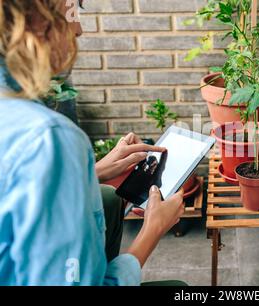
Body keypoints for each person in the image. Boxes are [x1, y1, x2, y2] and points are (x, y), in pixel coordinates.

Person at [0, 0, 185, 285]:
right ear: (34, 20)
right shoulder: (47, 138)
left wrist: (92, 171)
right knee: (178, 289)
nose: (79, 30)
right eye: (71, 11)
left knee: (109, 198)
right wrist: (153, 230)